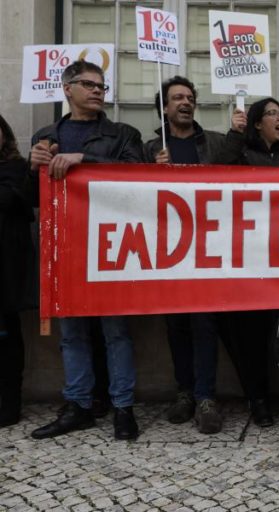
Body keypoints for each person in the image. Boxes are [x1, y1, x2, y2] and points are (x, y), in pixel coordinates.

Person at [28, 60, 143, 440]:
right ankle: (78, 405)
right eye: (89, 84)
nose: (97, 91)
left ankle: (123, 408)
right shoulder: (45, 136)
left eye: (101, 86)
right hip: (64, 246)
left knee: (116, 332)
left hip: (111, 245)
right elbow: (34, 200)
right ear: (67, 89)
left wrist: (85, 160)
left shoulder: (123, 133)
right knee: (71, 333)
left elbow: (138, 177)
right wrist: (32, 168)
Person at [215, 97, 279, 427]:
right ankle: (258, 399)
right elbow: (218, 171)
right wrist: (234, 134)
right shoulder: (241, 150)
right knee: (251, 334)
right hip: (251, 256)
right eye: (271, 114)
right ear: (257, 123)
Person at [143, 76, 227, 434]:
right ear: (164, 107)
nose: (185, 102)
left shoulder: (214, 143)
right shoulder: (151, 149)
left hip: (206, 249)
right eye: (177, 97)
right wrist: (151, 172)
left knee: (204, 324)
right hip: (168, 251)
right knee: (176, 325)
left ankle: (206, 396)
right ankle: (185, 393)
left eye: (190, 97)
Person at [0, 114, 34, 428]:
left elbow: (8, 200)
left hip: (5, 268)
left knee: (7, 339)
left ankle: (8, 404)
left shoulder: (16, 168)